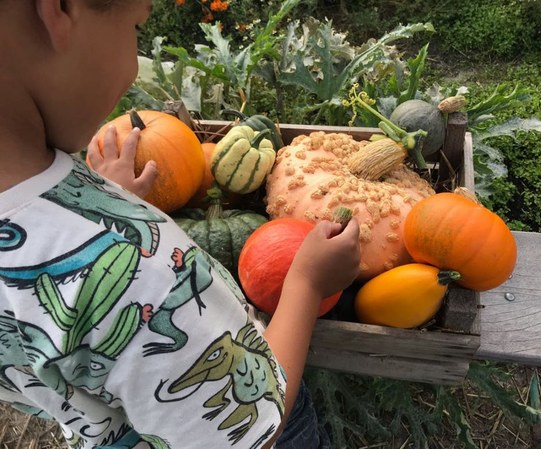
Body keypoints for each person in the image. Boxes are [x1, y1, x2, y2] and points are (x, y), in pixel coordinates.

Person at [0, 1, 362, 448]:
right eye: (136, 26)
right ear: (61, 9)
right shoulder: (138, 279)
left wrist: (105, 204)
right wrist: (307, 283)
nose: (135, 68)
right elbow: (254, 426)